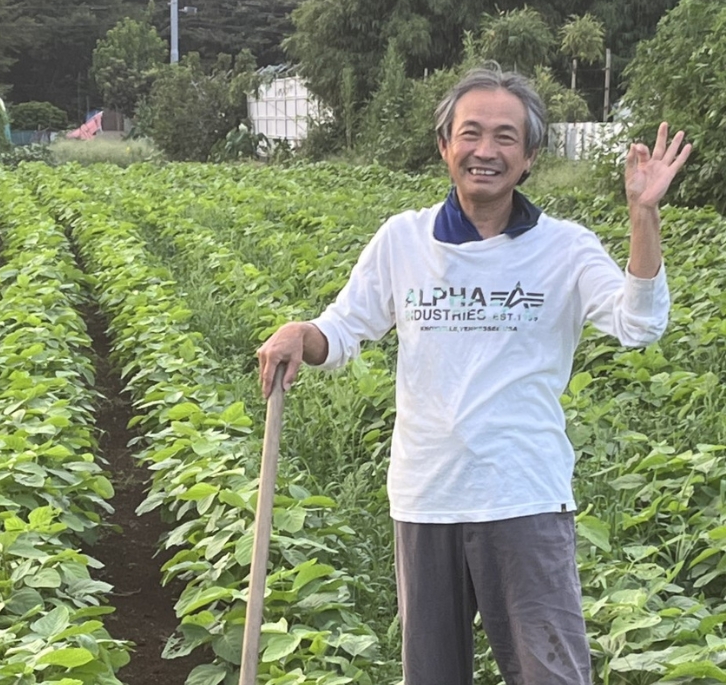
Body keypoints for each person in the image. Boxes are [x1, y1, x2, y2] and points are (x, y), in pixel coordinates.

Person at [257, 65, 691, 685]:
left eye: (505, 137)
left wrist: (643, 216)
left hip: (525, 496)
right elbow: (344, 329)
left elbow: (638, 324)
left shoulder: (564, 248)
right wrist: (302, 335)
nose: (485, 151)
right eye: (471, 133)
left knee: (552, 674)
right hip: (426, 497)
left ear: (530, 156)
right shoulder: (402, 240)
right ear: (445, 145)